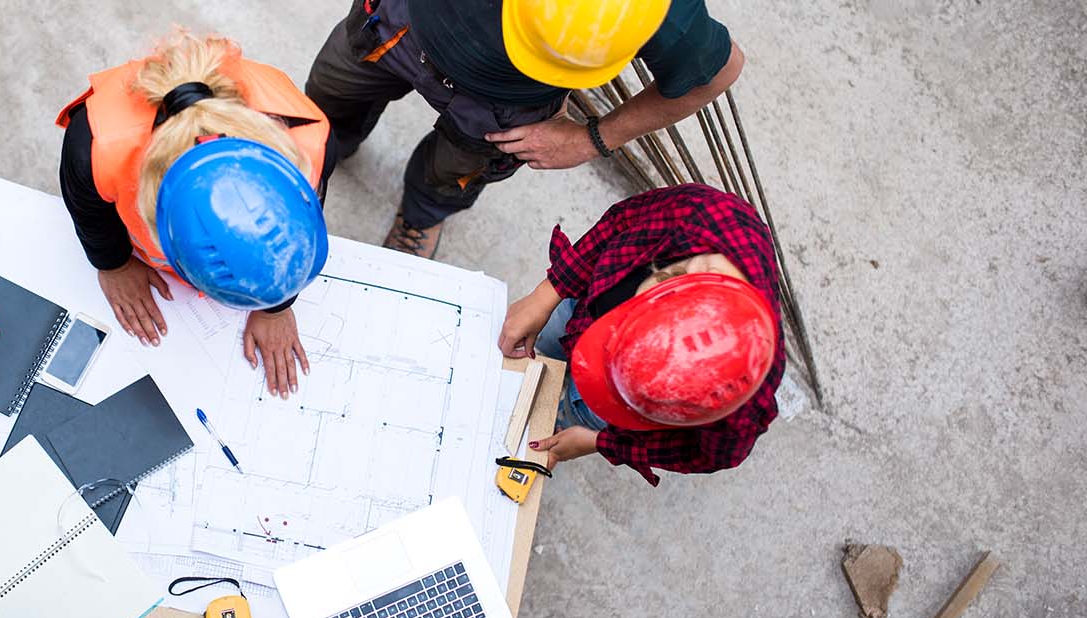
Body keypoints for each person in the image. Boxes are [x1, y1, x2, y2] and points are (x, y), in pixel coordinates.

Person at [305, 0, 743, 258]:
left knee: (450, 175)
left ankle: (420, 218)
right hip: (403, 21)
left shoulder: (655, 11)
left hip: (503, 109)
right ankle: (322, 150)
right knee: (330, 97)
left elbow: (717, 71)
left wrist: (594, 137)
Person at [57, 31, 338, 398]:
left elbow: (294, 233)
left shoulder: (310, 144)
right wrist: (114, 263)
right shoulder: (95, 147)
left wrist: (276, 304)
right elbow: (87, 207)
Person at [497, 184, 785, 485]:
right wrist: (548, 294)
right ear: (666, 275)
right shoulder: (700, 215)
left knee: (573, 415)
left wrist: (600, 441)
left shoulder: (744, 407)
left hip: (610, 406)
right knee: (547, 336)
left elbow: (708, 455)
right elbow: (621, 221)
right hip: (583, 309)